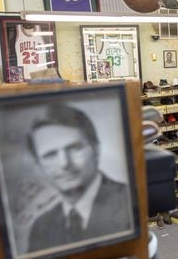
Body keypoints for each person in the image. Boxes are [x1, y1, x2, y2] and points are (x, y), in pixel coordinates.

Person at [27, 103, 131, 252]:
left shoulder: (129, 202)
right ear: (38, 166)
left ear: (96, 149)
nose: (64, 164)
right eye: (50, 155)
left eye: (74, 148)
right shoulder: (40, 227)